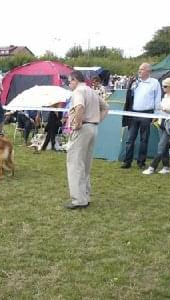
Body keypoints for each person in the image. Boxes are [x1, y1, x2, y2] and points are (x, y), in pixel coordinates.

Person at [65, 71, 108, 209]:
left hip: (82, 129)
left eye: (69, 81)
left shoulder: (78, 91)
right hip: (92, 128)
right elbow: (106, 108)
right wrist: (96, 120)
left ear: (75, 80)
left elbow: (80, 107)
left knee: (75, 164)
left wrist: (77, 123)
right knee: (85, 165)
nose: (69, 84)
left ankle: (78, 200)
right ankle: (85, 196)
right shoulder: (91, 91)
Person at [121, 63, 162, 169]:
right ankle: (127, 161)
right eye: (139, 69)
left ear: (148, 71)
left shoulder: (155, 83)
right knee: (130, 139)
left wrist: (156, 114)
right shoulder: (135, 82)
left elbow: (157, 99)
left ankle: (141, 162)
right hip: (133, 113)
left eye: (142, 69)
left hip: (146, 113)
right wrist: (130, 84)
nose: (139, 71)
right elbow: (129, 96)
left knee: (144, 139)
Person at [143, 77, 170, 175]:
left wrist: (165, 109)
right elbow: (160, 111)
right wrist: (155, 118)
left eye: (165, 86)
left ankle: (152, 167)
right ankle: (166, 167)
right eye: (163, 86)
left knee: (161, 146)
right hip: (161, 123)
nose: (163, 88)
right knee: (164, 146)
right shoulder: (164, 96)